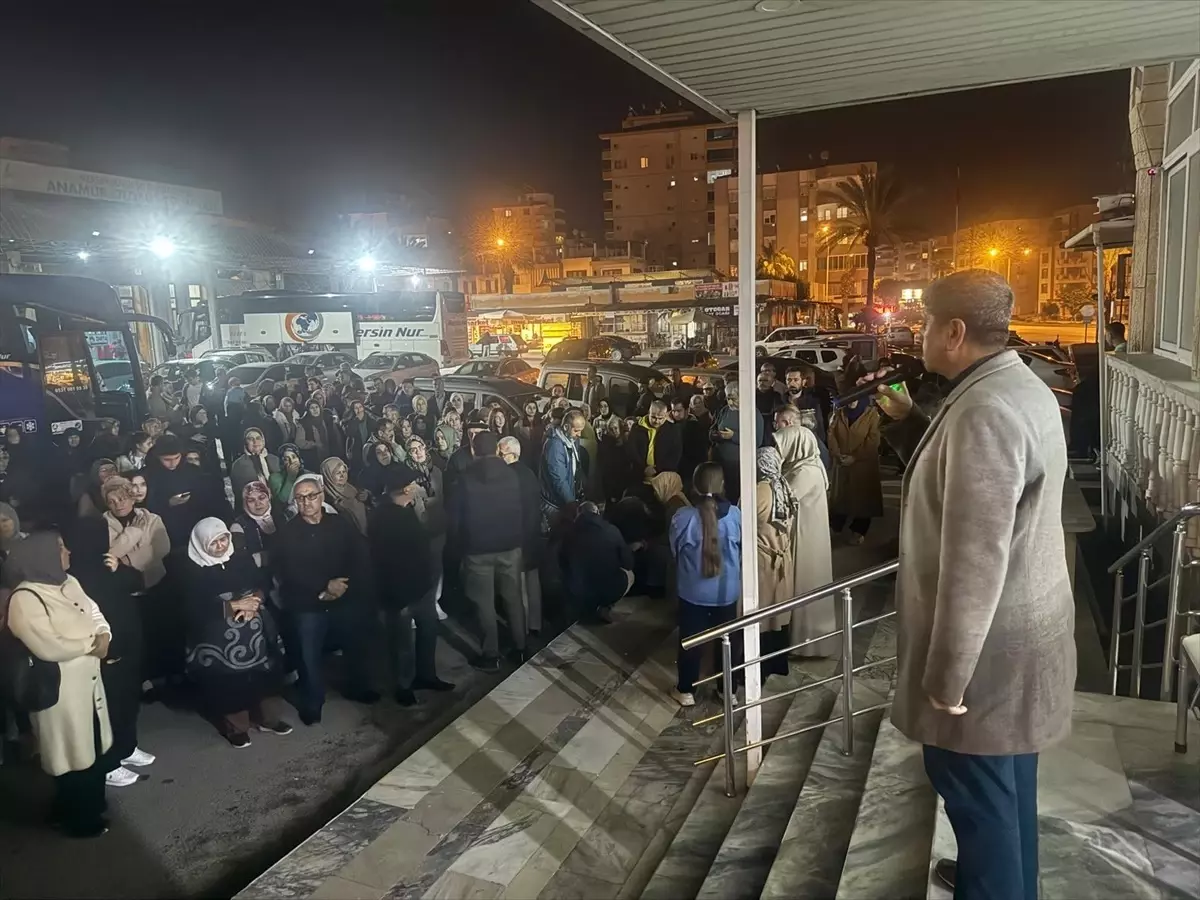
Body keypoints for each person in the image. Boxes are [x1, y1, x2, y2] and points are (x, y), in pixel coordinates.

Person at [870, 269, 1075, 898]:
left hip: (987, 656)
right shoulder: (1016, 386)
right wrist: (915, 421)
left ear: (954, 331)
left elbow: (975, 558)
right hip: (1021, 641)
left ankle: (995, 885)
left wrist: (947, 676)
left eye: (926, 322)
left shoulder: (984, 412)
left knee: (975, 791)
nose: (919, 332)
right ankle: (1009, 879)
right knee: (1008, 787)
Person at [5, 533, 113, 837]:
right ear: (41, 557)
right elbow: (48, 646)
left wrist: (104, 634)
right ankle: (78, 820)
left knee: (91, 748)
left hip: (88, 687)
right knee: (70, 756)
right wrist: (93, 642)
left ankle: (91, 806)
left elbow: (95, 612)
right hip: (59, 694)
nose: (68, 551)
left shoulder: (68, 582)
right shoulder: (25, 599)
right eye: (60, 548)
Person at [273, 474, 379, 724]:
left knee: (355, 645)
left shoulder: (338, 523)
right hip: (307, 603)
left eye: (311, 496)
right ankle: (313, 702)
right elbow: (290, 569)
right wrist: (324, 586)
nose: (306, 502)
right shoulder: (288, 534)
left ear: (321, 497)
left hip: (344, 596)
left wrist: (343, 585)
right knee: (309, 655)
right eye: (300, 498)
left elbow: (358, 554)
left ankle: (358, 687)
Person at [62, 515, 155, 788]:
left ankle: (127, 747)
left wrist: (119, 567)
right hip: (104, 652)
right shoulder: (73, 574)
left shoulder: (107, 561)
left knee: (128, 701)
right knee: (107, 709)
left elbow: (138, 581)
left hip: (128, 645)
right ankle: (109, 763)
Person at [182, 518, 291, 747]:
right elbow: (190, 606)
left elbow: (263, 581)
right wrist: (232, 607)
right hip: (219, 637)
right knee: (229, 682)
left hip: (254, 629)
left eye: (224, 539)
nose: (221, 546)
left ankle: (268, 719)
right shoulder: (191, 570)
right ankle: (236, 727)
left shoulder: (240, 558)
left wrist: (256, 600)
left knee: (266, 673)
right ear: (201, 544)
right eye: (214, 542)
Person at [369, 469, 455, 707]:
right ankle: (403, 686)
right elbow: (383, 560)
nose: (418, 487)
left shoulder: (402, 512)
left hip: (421, 588)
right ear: (406, 490)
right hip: (400, 593)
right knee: (402, 644)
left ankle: (426, 675)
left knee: (428, 632)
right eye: (414, 485)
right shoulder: (384, 517)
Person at [451, 432, 527, 672]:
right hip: (510, 546)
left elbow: (456, 519)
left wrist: (458, 545)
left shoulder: (464, 479)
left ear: (474, 451)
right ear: (496, 449)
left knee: (483, 603)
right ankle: (521, 648)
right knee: (513, 598)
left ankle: (491, 654)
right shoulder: (512, 475)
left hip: (478, 550)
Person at [669, 462, 742, 707]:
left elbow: (674, 551)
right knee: (728, 642)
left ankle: (686, 690)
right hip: (727, 592)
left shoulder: (682, 517)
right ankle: (728, 690)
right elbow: (742, 550)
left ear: (694, 486)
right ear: (722, 485)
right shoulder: (735, 515)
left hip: (693, 592)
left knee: (690, 641)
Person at [773, 424, 835, 655]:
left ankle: (806, 644)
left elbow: (781, 501)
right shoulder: (807, 464)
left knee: (804, 584)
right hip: (806, 533)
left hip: (805, 536)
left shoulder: (804, 472)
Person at [753, 447, 796, 678]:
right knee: (778, 613)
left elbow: (744, 522)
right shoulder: (785, 486)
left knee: (762, 614)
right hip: (783, 557)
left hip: (764, 561)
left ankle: (761, 668)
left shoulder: (759, 491)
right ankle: (778, 663)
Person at [828, 374, 883, 545]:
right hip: (842, 463)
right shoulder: (839, 413)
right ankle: (835, 526)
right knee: (840, 498)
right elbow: (831, 434)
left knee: (863, 500)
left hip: (863, 465)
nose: (851, 402)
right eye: (848, 398)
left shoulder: (872, 415)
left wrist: (855, 457)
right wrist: (838, 455)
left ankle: (859, 530)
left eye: (854, 398)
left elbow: (873, 440)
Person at [498, 435, 544, 637]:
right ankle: (536, 624)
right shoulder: (529, 473)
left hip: (516, 538)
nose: (497, 456)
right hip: (532, 535)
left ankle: (521, 629)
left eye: (501, 452)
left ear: (512, 454)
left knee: (519, 587)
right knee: (533, 583)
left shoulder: (506, 476)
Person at [559, 501, 634, 624]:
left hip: (580, 591)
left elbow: (562, 564)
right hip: (610, 590)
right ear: (597, 513)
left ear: (579, 513)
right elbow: (628, 563)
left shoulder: (568, 534)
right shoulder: (611, 530)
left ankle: (584, 610)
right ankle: (606, 607)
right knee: (630, 574)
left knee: (570, 577)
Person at [403, 435, 449, 622]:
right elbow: (415, 504)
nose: (418, 452)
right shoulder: (406, 475)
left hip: (438, 526)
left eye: (420, 447)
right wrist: (429, 502)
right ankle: (416, 609)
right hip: (418, 529)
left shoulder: (436, 471)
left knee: (437, 567)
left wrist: (428, 501)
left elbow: (441, 497)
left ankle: (434, 603)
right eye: (413, 450)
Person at [710, 383, 763, 504]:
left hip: (739, 466)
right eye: (728, 398)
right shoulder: (725, 410)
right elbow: (713, 428)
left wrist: (733, 436)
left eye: (733, 398)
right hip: (720, 463)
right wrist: (715, 435)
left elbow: (757, 441)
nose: (730, 402)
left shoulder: (753, 413)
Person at [540, 409, 587, 533]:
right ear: (566, 426)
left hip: (566, 500)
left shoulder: (572, 440)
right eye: (576, 430)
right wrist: (571, 502)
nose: (579, 434)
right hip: (555, 504)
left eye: (581, 430)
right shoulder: (554, 445)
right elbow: (558, 478)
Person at [628, 399, 682, 480]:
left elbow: (675, 454)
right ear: (648, 413)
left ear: (666, 416)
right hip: (639, 475)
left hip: (664, 476)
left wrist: (657, 469)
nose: (657, 421)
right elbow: (632, 451)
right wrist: (644, 469)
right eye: (653, 417)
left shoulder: (673, 430)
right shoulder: (636, 428)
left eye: (661, 418)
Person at [321, 457, 369, 536]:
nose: (342, 476)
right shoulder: (325, 497)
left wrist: (366, 497)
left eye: (344, 472)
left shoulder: (353, 488)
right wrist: (338, 510)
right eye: (337, 473)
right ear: (328, 475)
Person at [230, 428, 281, 500]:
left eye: (258, 438)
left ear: (263, 441)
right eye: (250, 439)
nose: (255, 441)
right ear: (245, 443)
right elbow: (239, 493)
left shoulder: (275, 460)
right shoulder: (239, 465)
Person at [294, 398, 338, 472]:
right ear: (308, 410)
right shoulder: (303, 423)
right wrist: (314, 444)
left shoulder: (326, 419)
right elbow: (299, 442)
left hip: (329, 455)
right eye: (312, 408)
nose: (315, 410)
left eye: (316, 407)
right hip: (314, 458)